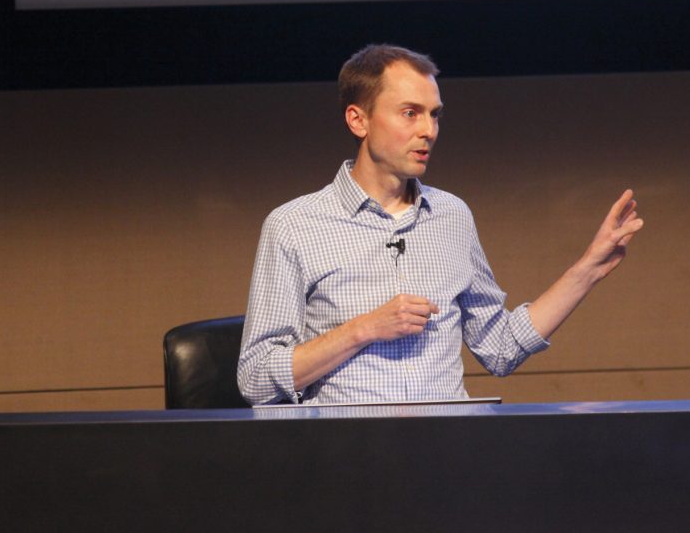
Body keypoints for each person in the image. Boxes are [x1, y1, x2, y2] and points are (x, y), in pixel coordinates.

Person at [237, 44, 643, 405]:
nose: (428, 131)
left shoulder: (452, 216)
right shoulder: (294, 225)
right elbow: (255, 379)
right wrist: (363, 329)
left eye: (434, 115)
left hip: (445, 448)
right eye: (410, 113)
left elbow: (500, 347)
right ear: (358, 120)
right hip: (347, 451)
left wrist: (588, 269)